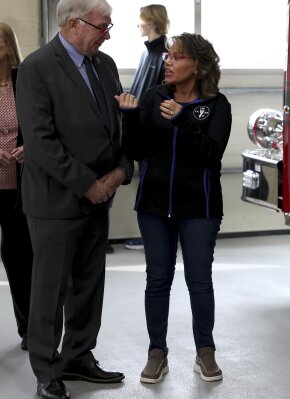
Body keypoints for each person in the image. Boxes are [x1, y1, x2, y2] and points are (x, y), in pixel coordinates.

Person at [15, 0, 133, 397]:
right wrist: (88, 183)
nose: (109, 34)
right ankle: (47, 369)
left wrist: (119, 172)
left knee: (88, 282)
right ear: (72, 23)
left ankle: (79, 355)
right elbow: (40, 141)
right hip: (55, 199)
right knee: (49, 288)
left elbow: (116, 126)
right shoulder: (37, 67)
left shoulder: (106, 65)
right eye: (103, 26)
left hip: (99, 196)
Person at [115, 33, 231, 384]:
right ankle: (156, 352)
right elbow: (138, 150)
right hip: (153, 205)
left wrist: (184, 121)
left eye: (177, 56)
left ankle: (205, 351)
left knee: (199, 280)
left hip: (200, 206)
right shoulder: (154, 96)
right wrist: (131, 117)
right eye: (168, 55)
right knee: (157, 280)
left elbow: (212, 156)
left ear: (196, 65)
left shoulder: (217, 105)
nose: (168, 61)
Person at [125, 4, 169, 251]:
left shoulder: (165, 53)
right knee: (147, 183)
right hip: (141, 128)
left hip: (155, 133)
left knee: (156, 183)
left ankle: (158, 237)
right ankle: (153, 235)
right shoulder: (147, 53)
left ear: (151, 21)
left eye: (141, 20)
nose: (138, 25)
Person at [0, 21, 33, 352]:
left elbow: (43, 125)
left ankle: (29, 329)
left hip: (19, 188)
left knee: (20, 257)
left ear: (9, 46)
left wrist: (31, 147)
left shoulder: (25, 81)